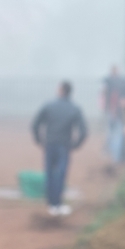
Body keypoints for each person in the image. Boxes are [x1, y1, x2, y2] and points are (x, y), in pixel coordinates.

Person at [32, 81, 88, 216]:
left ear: (61, 90)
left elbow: (35, 124)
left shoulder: (48, 106)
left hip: (49, 144)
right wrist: (75, 145)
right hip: (64, 146)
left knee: (49, 174)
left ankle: (51, 204)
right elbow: (84, 131)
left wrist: (39, 140)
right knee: (60, 175)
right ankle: (58, 204)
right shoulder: (74, 108)